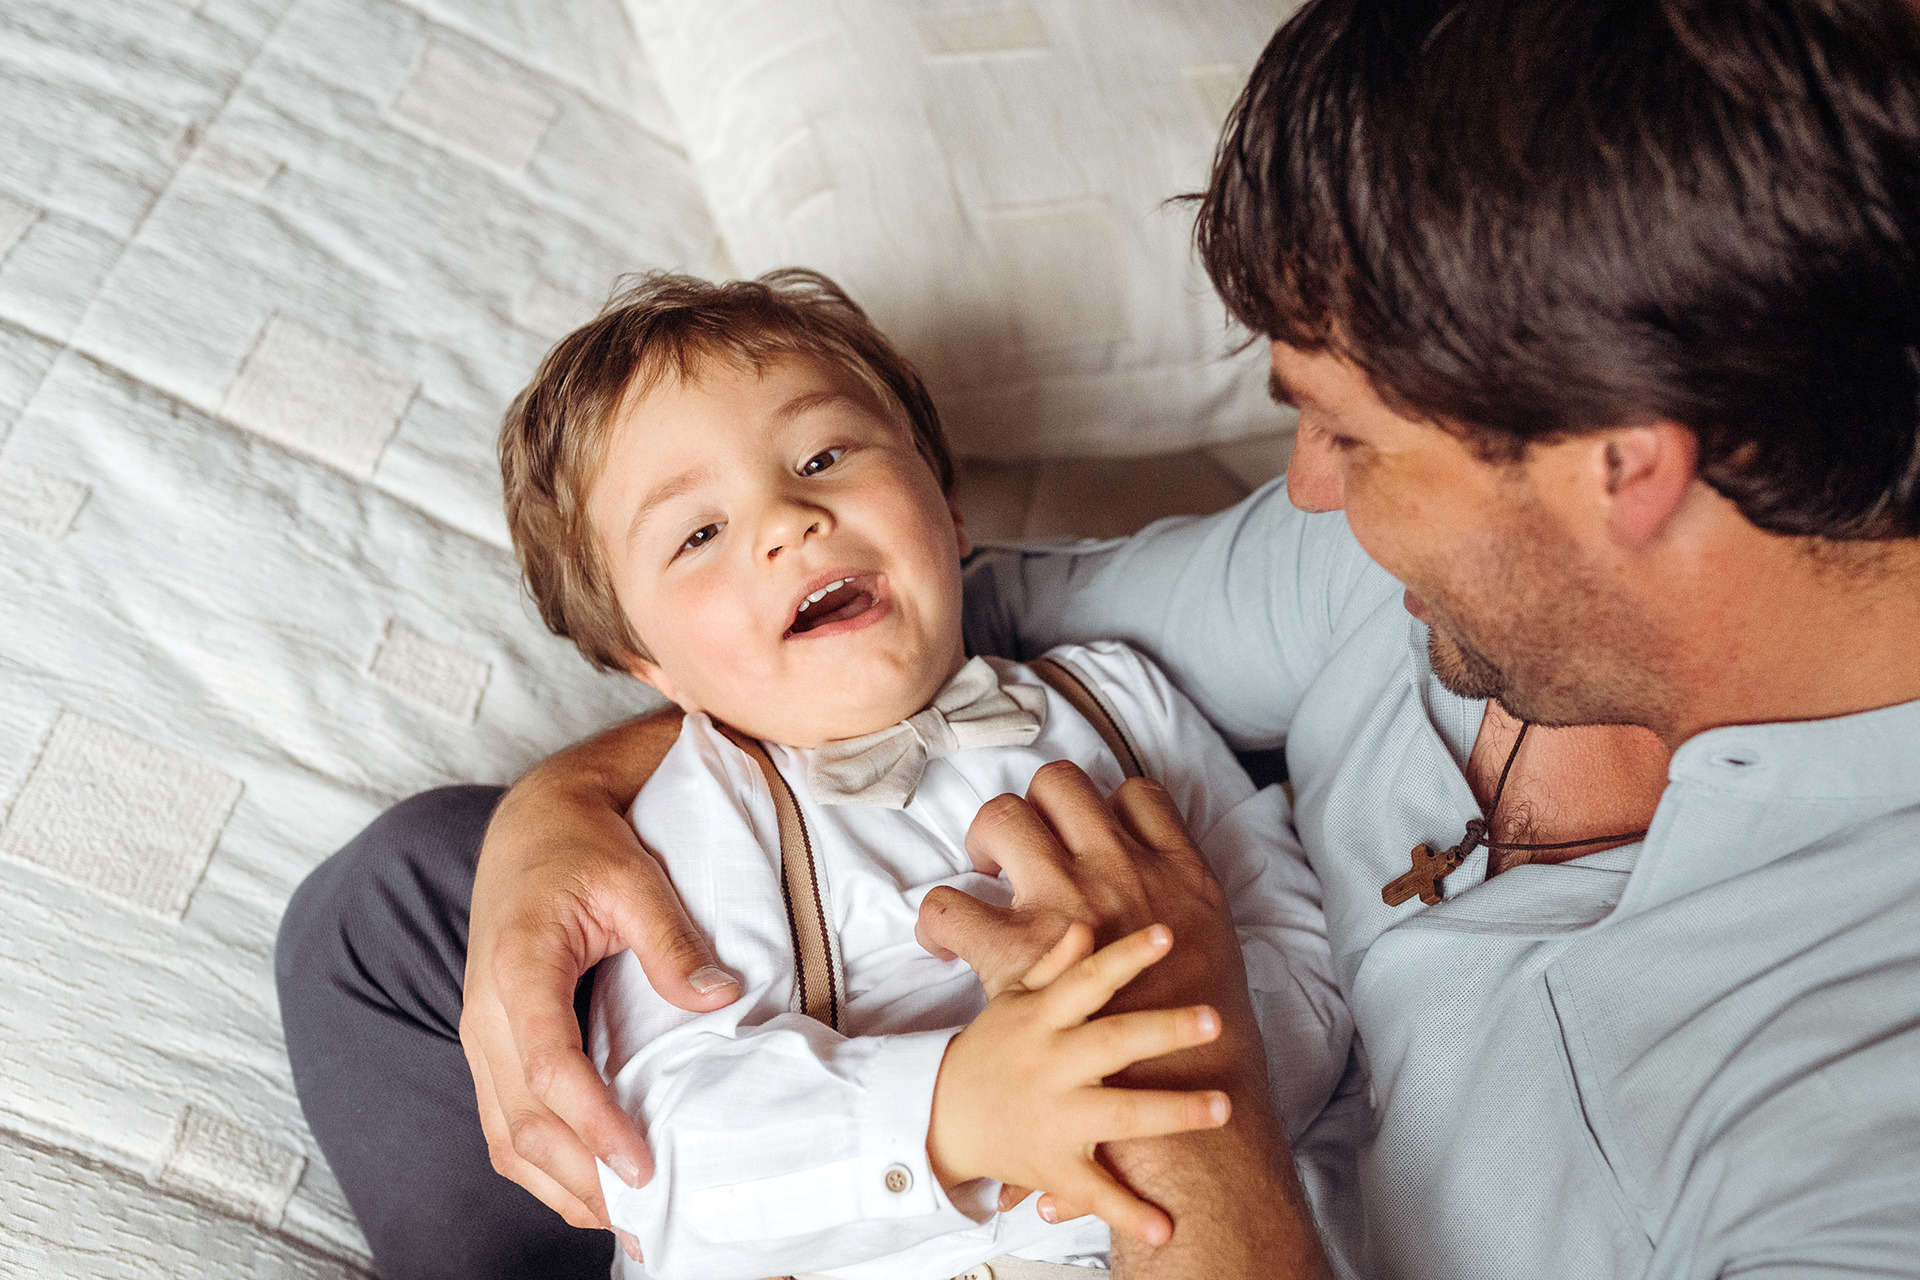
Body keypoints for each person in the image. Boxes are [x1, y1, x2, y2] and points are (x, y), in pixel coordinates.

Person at [276, 0, 1920, 1277]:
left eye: (1354, 436)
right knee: (410, 901)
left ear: (1623, 467)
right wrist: (570, 809)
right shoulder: (1355, 573)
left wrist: (1158, 1076)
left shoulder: (1858, 1108)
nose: (1304, 488)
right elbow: (942, 633)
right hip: (872, 1142)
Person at [491, 268, 1350, 1279]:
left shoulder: (1122, 698)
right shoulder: (702, 813)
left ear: (947, 507)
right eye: (700, 533)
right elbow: (655, 1159)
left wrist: (1158, 1064)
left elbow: (1311, 969)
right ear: (651, 667)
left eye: (823, 456)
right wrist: (956, 1110)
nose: (788, 519)